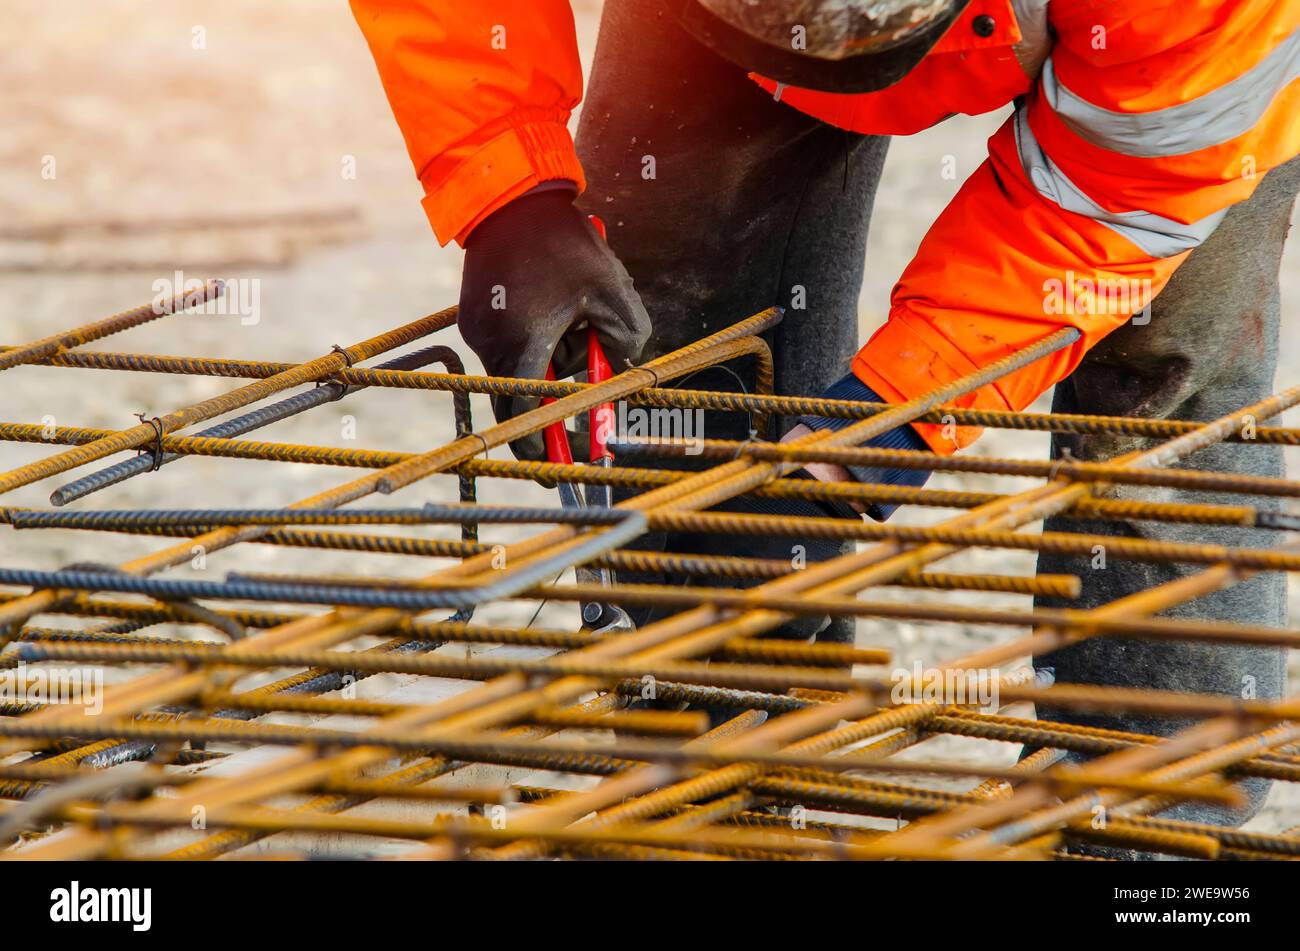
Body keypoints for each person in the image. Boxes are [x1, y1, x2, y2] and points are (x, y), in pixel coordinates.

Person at [350, 0, 1300, 844]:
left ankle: (1150, 834)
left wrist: (876, 439)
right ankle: (722, 778)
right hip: (710, 24)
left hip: (1170, 79)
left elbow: (1122, 196)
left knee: (1167, 356)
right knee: (680, 324)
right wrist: (508, 185)